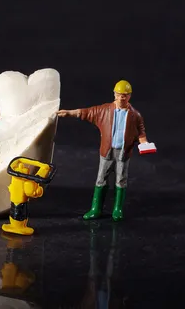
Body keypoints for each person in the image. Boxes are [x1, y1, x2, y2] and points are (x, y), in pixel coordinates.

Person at [57, 80, 149, 221]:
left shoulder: (135, 115)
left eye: (124, 95)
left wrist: (144, 143)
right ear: (114, 94)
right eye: (119, 95)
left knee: (121, 180)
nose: (121, 98)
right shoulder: (104, 110)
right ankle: (96, 209)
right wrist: (69, 113)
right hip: (107, 151)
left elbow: (141, 132)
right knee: (101, 179)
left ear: (129, 96)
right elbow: (87, 112)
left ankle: (117, 209)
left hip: (124, 153)